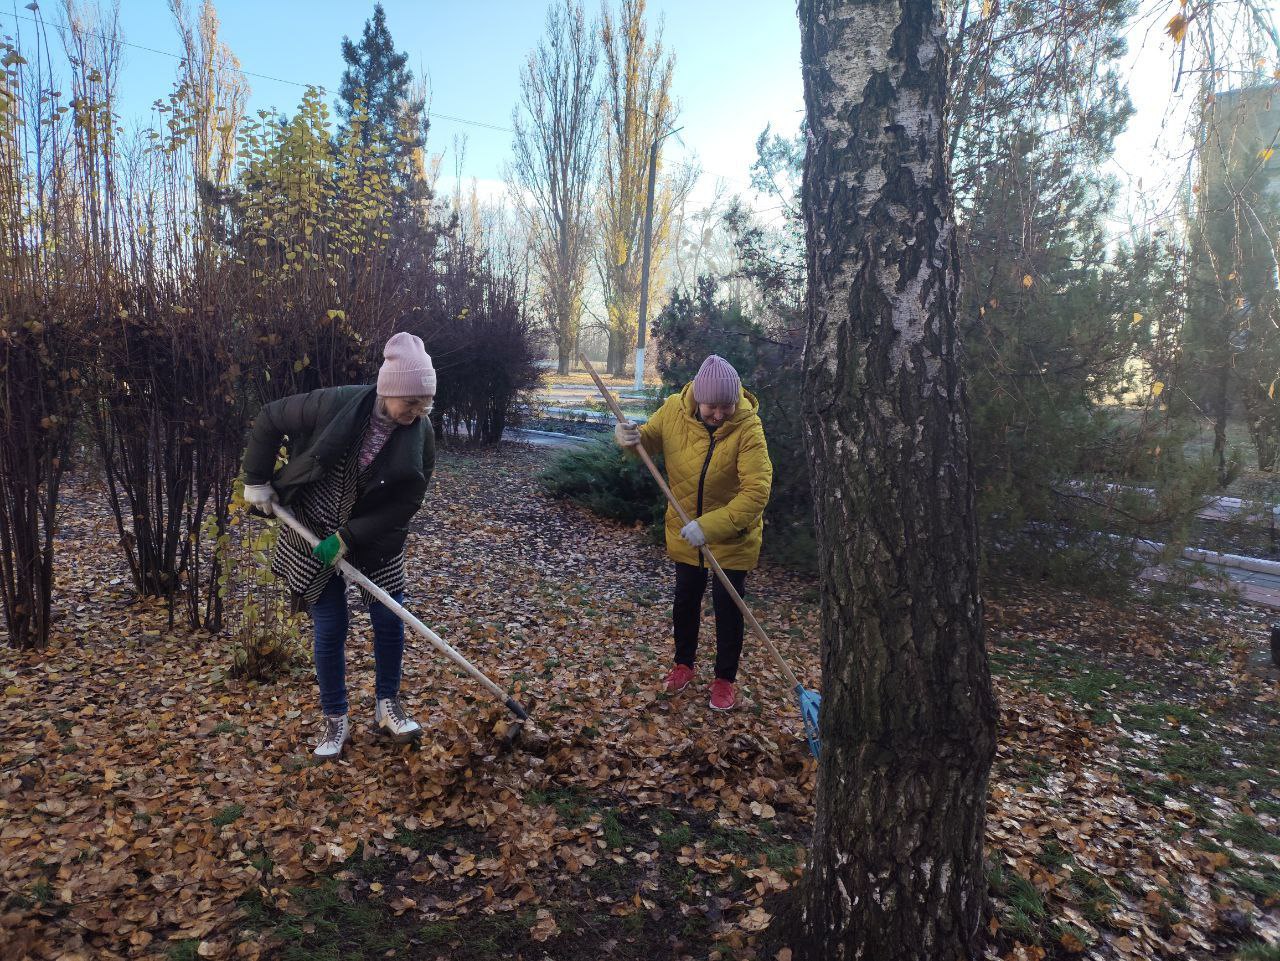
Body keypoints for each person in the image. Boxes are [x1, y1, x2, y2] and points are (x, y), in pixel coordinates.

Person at [240, 332, 436, 759]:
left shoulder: (420, 431)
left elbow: (408, 500)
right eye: (411, 403)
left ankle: (388, 707)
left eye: (425, 404)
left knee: (389, 615)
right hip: (311, 527)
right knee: (331, 625)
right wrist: (256, 479)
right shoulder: (335, 404)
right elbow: (270, 417)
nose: (417, 412)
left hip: (373, 537)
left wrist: (349, 538)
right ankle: (335, 718)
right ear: (388, 391)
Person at [614, 354, 772, 711]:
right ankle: (683, 665)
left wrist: (709, 526)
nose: (719, 414)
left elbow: (756, 492)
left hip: (732, 537)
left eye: (726, 406)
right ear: (697, 399)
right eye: (712, 407)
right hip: (685, 533)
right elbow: (647, 442)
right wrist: (626, 438)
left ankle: (724, 680)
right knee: (685, 602)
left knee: (728, 608)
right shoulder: (673, 410)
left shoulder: (748, 427)